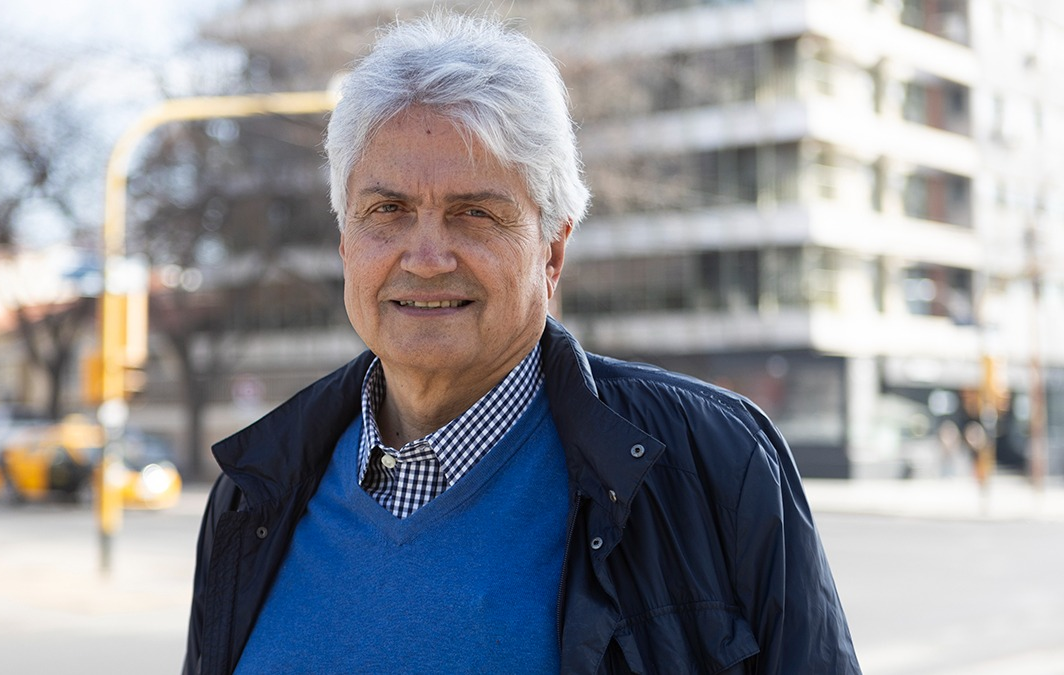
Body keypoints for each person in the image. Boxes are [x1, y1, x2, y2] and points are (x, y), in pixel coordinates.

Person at [184, 11, 860, 675]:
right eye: (387, 211)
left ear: (553, 252)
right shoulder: (253, 494)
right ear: (345, 244)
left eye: (474, 212)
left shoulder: (715, 463)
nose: (425, 256)